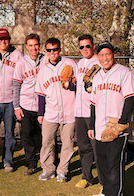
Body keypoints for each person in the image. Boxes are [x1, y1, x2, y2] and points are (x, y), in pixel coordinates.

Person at [88, 42, 134, 196]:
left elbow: (130, 98)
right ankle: (106, 191)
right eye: (101, 55)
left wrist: (122, 122)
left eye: (108, 54)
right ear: (97, 57)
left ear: (114, 54)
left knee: (115, 164)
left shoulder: (124, 72)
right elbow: (93, 103)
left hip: (117, 127)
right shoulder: (97, 76)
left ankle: (116, 194)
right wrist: (91, 126)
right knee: (102, 163)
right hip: (100, 127)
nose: (105, 58)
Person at [35, 38, 77, 183]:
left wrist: (70, 85)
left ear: (59, 49)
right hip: (50, 112)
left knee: (68, 143)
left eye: (55, 49)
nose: (52, 52)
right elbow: (40, 93)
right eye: (49, 50)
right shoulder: (43, 69)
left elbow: (79, 84)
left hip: (69, 110)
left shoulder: (70, 63)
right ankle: (48, 170)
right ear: (46, 52)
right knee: (47, 142)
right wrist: (40, 113)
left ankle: (62, 171)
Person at [0, 28, 23, 173]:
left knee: (10, 133)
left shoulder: (17, 55)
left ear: (9, 39)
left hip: (10, 101)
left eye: (5, 39)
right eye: (0, 39)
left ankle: (8, 161)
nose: (3, 41)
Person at [13, 33, 46, 176]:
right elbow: (16, 85)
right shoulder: (21, 62)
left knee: (45, 136)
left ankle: (48, 163)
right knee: (27, 136)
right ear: (26, 46)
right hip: (26, 104)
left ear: (40, 45)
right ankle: (31, 164)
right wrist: (16, 106)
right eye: (30, 45)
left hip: (44, 105)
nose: (34, 48)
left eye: (36, 45)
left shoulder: (46, 60)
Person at [74, 34, 101, 188]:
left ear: (93, 46)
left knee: (97, 147)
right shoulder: (79, 64)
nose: (84, 49)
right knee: (83, 147)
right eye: (81, 47)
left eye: (87, 46)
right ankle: (87, 177)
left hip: (93, 111)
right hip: (79, 112)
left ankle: (104, 177)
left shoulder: (98, 62)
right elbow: (78, 86)